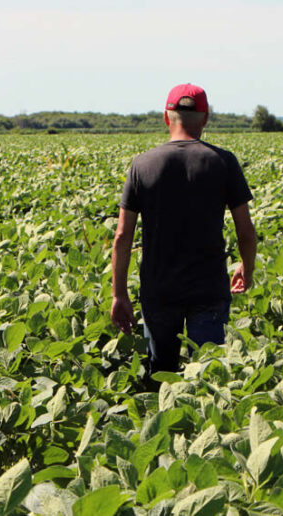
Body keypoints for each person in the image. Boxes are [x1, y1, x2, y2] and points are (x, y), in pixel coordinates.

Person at [111, 83, 257, 378]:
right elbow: (246, 230)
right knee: (209, 377)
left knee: (161, 375)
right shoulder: (223, 162)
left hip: (159, 289)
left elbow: (122, 236)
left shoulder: (142, 165)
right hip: (209, 288)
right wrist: (247, 268)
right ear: (205, 119)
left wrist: (119, 294)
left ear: (166, 117)